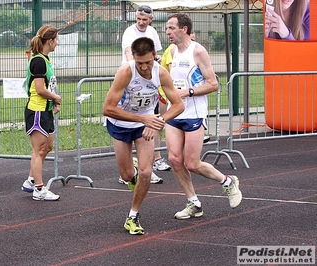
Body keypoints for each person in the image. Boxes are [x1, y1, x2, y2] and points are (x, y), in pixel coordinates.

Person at [165, 13, 242, 220]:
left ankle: (228, 182)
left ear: (184, 29)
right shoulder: (171, 51)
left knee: (192, 163)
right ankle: (194, 203)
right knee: (174, 159)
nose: (167, 32)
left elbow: (213, 84)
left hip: (194, 114)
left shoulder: (198, 51)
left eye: (171, 28)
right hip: (175, 112)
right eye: (167, 28)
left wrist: (188, 92)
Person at [103, 37, 184, 234]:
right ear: (133, 59)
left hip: (145, 126)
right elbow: (107, 108)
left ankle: (133, 216)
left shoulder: (161, 72)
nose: (144, 67)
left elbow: (179, 105)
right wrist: (142, 119)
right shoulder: (126, 72)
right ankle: (134, 173)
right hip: (121, 124)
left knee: (146, 173)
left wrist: (158, 121)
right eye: (140, 63)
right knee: (127, 175)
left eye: (148, 62)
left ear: (155, 56)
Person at [120, 5, 171, 180]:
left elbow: (158, 54)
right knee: (132, 122)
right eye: (138, 19)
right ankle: (131, 167)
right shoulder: (129, 32)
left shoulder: (152, 32)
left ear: (151, 19)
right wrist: (134, 70)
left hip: (149, 84)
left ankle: (152, 162)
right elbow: (128, 52)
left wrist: (157, 64)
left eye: (144, 20)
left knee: (154, 119)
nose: (141, 23)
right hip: (131, 84)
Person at [21, 25, 61, 201]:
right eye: (57, 40)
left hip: (45, 110)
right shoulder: (38, 61)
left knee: (47, 147)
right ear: (50, 41)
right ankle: (39, 189)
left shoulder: (46, 60)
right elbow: (39, 89)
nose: (57, 43)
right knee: (38, 150)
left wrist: (53, 102)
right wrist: (56, 97)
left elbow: (47, 86)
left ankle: (31, 180)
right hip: (36, 110)